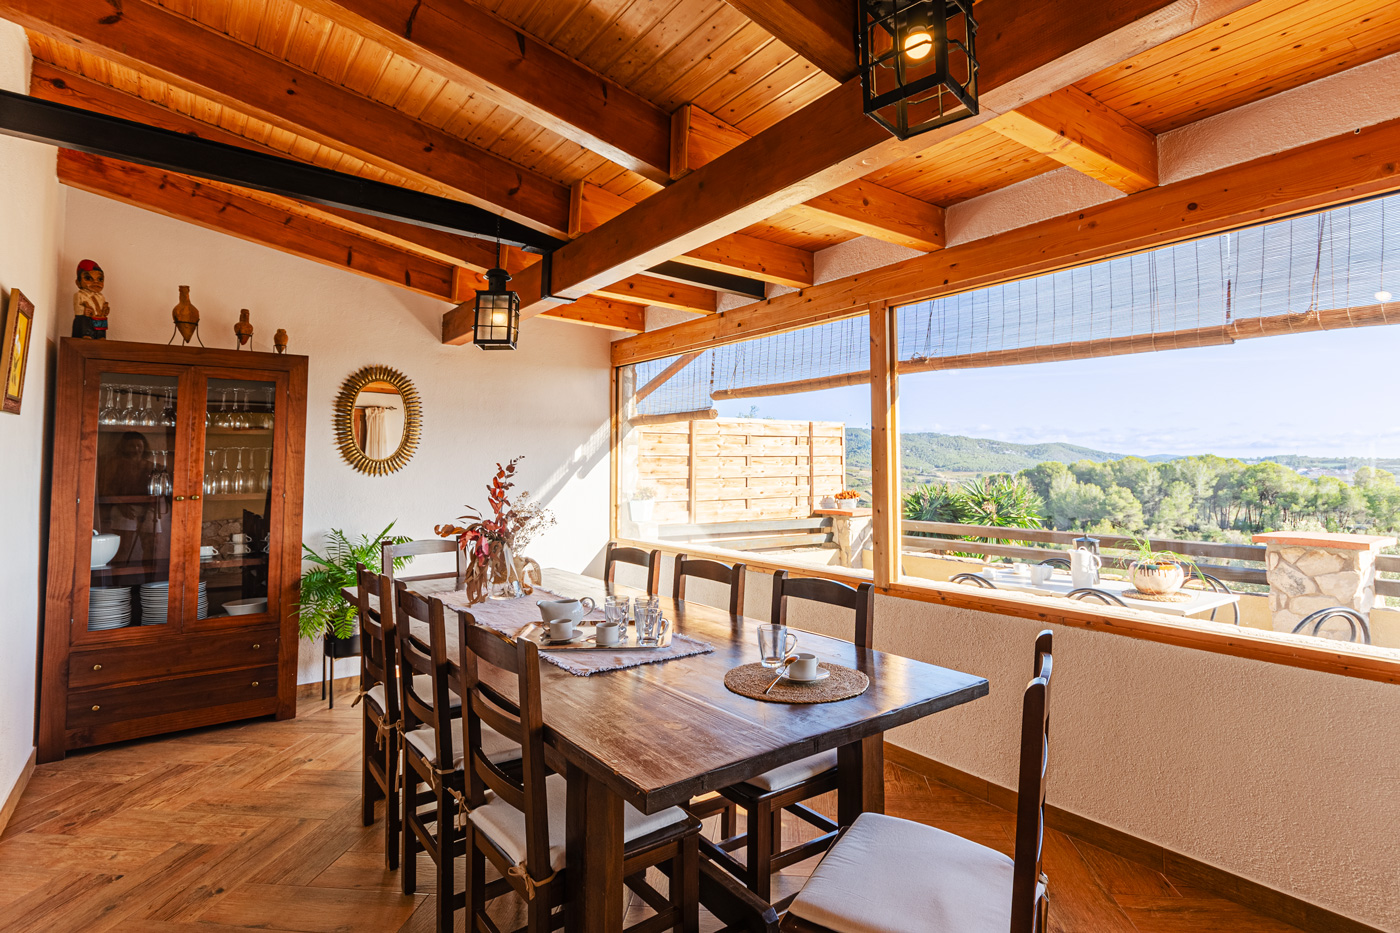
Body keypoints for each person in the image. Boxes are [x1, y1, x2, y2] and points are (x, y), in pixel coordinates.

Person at [99, 431, 157, 564]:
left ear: (144, 447)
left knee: (152, 547)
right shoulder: (114, 464)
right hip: (122, 508)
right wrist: (121, 505)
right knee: (123, 547)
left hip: (148, 508)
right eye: (131, 446)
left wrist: (151, 505)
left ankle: (150, 576)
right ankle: (118, 577)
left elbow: (158, 490)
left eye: (139, 446)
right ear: (124, 447)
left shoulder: (151, 466)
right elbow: (105, 489)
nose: (136, 449)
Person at [72, 259, 110, 340]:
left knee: (102, 322)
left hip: (98, 317)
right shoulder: (80, 294)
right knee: (84, 320)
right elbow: (77, 307)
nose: (96, 282)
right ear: (78, 283)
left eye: (100, 279)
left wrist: (105, 310)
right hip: (86, 318)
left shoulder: (101, 297)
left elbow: (102, 307)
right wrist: (83, 311)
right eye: (88, 278)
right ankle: (87, 335)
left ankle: (100, 336)